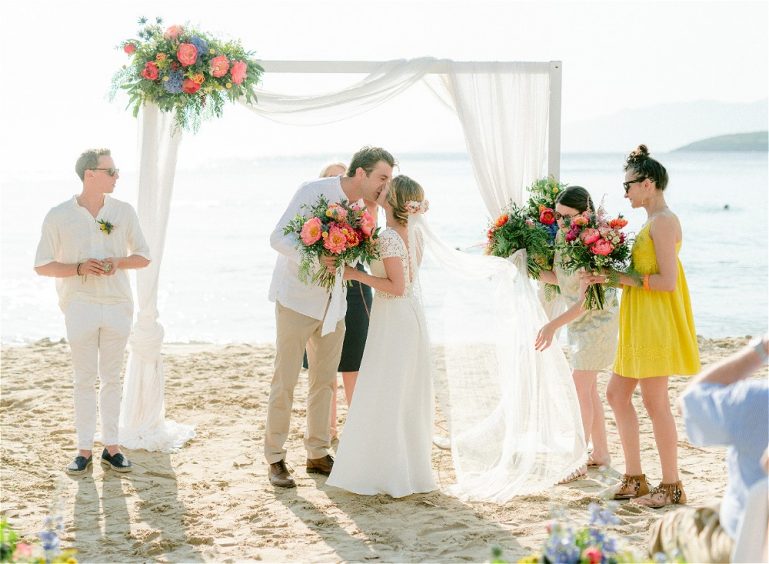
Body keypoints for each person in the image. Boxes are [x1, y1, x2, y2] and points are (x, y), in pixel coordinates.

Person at [265, 146, 395, 488]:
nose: (386, 186)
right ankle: (275, 458)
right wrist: (314, 257)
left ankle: (318, 452)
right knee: (286, 381)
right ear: (362, 174)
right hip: (296, 299)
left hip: (335, 303)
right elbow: (278, 238)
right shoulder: (313, 191)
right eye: (382, 178)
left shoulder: (365, 209)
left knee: (324, 382)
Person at [34, 148, 151, 475]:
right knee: (84, 379)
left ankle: (111, 447)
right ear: (90, 174)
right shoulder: (58, 215)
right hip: (79, 306)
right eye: (111, 171)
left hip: (117, 306)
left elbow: (143, 256)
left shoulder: (124, 211)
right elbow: (42, 265)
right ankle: (84, 449)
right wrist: (80, 267)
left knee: (112, 378)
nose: (117, 176)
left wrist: (118, 262)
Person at [325, 175, 438, 497]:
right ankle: (406, 467)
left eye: (385, 190)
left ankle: (386, 470)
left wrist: (354, 273)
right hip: (408, 317)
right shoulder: (413, 233)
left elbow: (397, 286)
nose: (380, 191)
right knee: (401, 392)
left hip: (395, 317)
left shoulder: (389, 236)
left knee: (386, 390)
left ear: (394, 200)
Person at [603, 145, 701, 507]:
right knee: (616, 394)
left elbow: (667, 281)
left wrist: (622, 278)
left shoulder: (662, 221)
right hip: (638, 319)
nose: (624, 191)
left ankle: (672, 485)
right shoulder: (650, 220)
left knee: (654, 401)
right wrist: (609, 276)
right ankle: (635, 478)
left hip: (655, 319)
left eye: (627, 185)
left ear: (648, 184)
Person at [647, 335, 769, 562]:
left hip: (744, 543)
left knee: (667, 527)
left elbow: (689, 400)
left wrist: (761, 349)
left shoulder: (757, 401)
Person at [535, 186, 618, 482]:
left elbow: (585, 302)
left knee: (577, 387)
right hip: (578, 322)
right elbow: (560, 279)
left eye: (567, 217)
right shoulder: (561, 237)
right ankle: (602, 454)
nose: (561, 222)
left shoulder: (592, 243)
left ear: (586, 214)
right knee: (588, 389)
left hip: (598, 322)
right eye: (557, 216)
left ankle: (578, 456)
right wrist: (526, 268)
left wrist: (550, 325)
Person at [303, 162, 376, 442]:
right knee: (324, 370)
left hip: (356, 291)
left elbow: (372, 246)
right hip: (320, 293)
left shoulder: (362, 212)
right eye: (330, 178)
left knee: (353, 366)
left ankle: (356, 430)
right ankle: (326, 431)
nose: (337, 182)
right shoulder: (313, 221)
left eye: (341, 176)